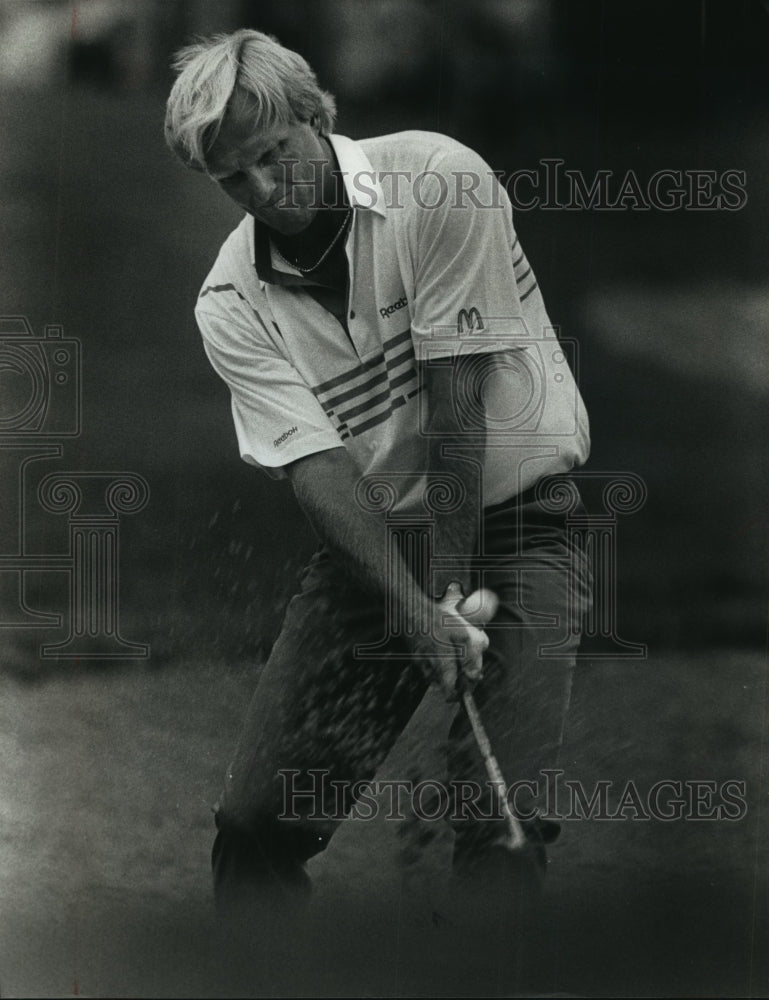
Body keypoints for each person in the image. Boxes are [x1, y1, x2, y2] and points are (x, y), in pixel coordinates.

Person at [164, 28, 592, 941]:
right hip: (374, 549)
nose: (264, 195)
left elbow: (456, 408)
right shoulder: (228, 300)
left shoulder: (441, 179)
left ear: (318, 116)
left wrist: (446, 591)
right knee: (255, 822)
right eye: (233, 179)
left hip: (521, 524)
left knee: (500, 820)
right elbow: (318, 472)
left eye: (274, 156)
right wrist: (415, 607)